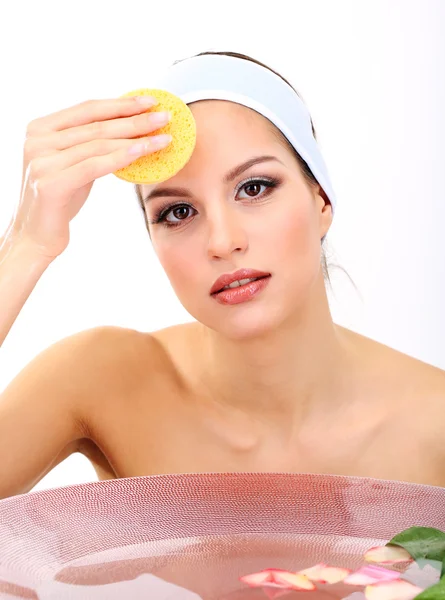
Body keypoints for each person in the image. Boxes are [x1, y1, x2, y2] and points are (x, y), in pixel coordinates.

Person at [0, 50, 444, 502]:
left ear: (322, 200)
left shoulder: (435, 424)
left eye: (254, 187)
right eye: (178, 212)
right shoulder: (101, 382)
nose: (222, 241)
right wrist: (25, 244)